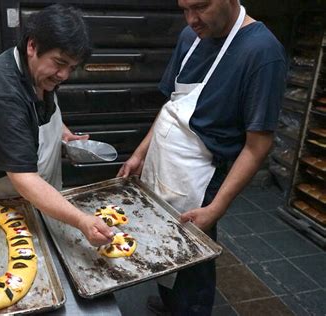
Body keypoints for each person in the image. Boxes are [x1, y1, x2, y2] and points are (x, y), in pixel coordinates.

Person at [117, 0, 286, 314]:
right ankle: (170, 303)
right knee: (161, 242)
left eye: (201, 7)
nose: (191, 19)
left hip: (199, 176)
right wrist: (140, 153)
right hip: (162, 162)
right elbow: (173, 104)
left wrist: (216, 208)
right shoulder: (190, 36)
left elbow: (257, 146)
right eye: (184, 8)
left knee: (193, 265)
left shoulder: (262, 52)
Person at [0, 4, 113, 247]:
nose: (63, 75)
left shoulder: (41, 71)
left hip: (40, 186)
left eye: (71, 68)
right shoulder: (1, 94)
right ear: (32, 46)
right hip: (3, 191)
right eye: (59, 63)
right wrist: (82, 221)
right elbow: (24, 179)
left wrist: (64, 133)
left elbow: (39, 112)